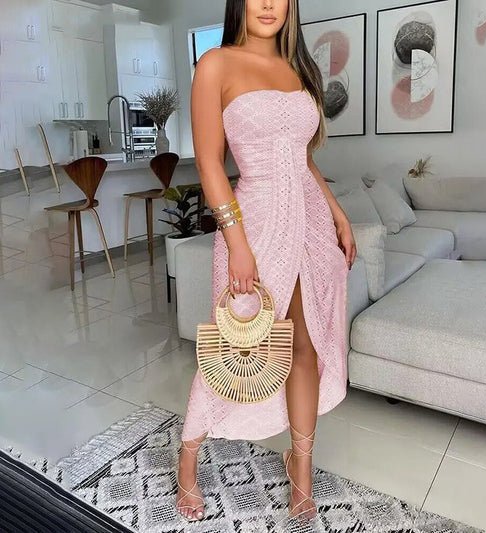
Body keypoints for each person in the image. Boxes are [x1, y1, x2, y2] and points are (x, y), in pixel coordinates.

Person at [175, 0, 357, 523]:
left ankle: (301, 472)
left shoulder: (297, 68)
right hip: (252, 222)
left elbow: (304, 159)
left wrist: (338, 213)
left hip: (310, 222)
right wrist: (236, 242)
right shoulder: (216, 63)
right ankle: (188, 458)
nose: (269, 3)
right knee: (235, 346)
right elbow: (209, 162)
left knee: (306, 346)